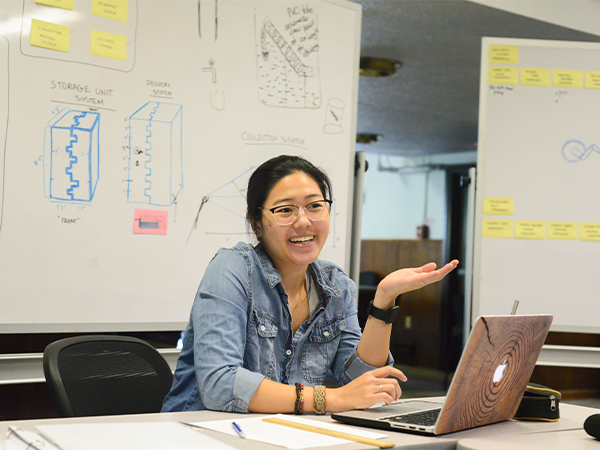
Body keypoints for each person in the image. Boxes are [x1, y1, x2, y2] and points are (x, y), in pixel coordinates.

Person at [162, 155, 458, 414]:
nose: (303, 221)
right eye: (286, 210)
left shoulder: (335, 284)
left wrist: (384, 300)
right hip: (198, 432)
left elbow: (362, 382)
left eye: (315, 206)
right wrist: (328, 399)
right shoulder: (233, 270)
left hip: (283, 434)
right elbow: (220, 384)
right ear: (256, 224)